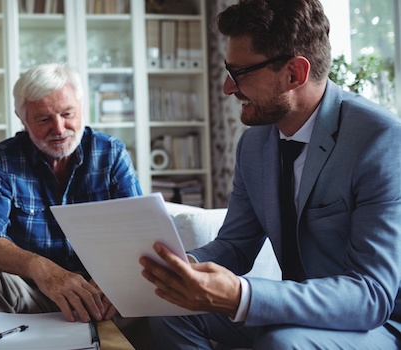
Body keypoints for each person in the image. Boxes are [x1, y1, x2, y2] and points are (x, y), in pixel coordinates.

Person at [140, 0, 401, 348]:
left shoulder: (380, 140)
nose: (227, 88)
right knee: (169, 312)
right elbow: (235, 246)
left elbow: (371, 295)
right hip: (294, 312)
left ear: (295, 73)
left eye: (240, 73)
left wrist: (241, 295)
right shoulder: (254, 144)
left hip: (377, 323)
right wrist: (183, 267)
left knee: (283, 343)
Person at [0, 63, 143, 325]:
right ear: (23, 120)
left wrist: (114, 275)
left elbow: (139, 230)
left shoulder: (111, 153)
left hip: (102, 291)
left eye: (68, 113)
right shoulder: (6, 157)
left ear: (82, 108)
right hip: (32, 291)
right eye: (43, 119)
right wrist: (42, 269)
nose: (58, 128)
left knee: (144, 283)